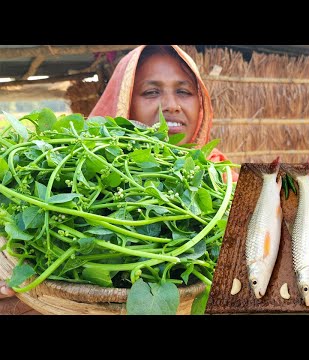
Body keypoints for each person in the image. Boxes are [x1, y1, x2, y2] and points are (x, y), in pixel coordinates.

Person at [0, 45, 238, 314]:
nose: (171, 105)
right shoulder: (78, 169)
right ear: (124, 98)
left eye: (184, 91)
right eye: (151, 92)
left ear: (201, 102)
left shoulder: (227, 183)